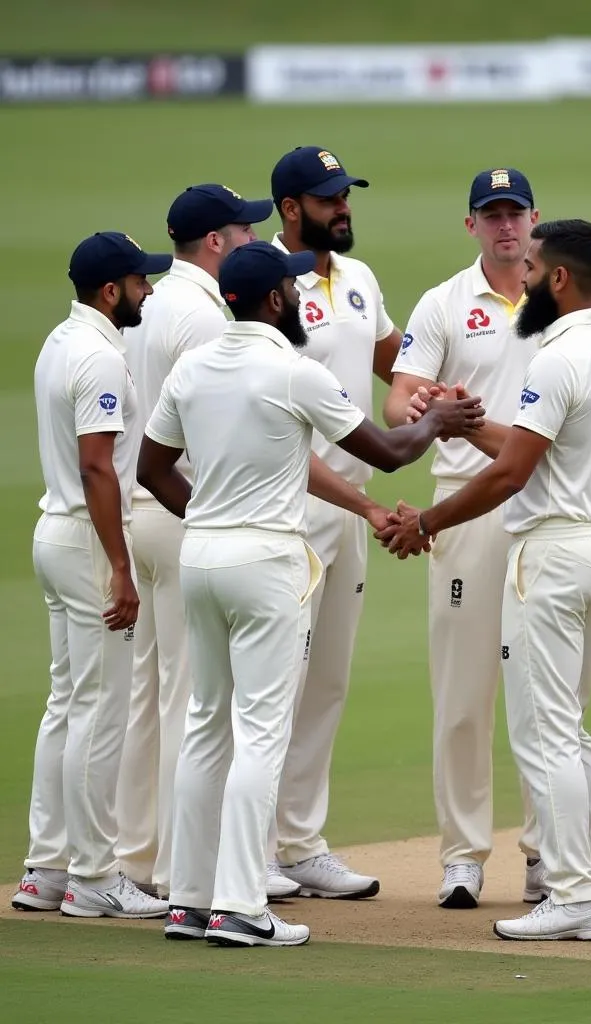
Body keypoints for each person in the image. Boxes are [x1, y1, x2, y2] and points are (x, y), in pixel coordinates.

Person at [136, 241, 484, 947]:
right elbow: (387, 451)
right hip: (266, 561)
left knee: (208, 726)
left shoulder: (193, 369)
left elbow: (151, 467)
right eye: (290, 291)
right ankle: (240, 905)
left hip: (202, 556)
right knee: (262, 731)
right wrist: (436, 424)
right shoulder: (294, 372)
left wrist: (207, 517)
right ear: (272, 300)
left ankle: (191, 900)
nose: (299, 297)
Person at [379, 219, 591, 941]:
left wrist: (427, 522)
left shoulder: (557, 359)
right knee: (570, 729)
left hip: (552, 553)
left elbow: (510, 473)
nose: (520, 278)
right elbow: (531, 447)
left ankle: (573, 893)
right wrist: (460, 425)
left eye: (531, 268)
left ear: (558, 278)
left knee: (544, 731)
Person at [381, 168, 547, 910]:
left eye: (515, 214)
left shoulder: (568, 296)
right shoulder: (443, 303)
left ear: (535, 220)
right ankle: (462, 857)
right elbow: (398, 393)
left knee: (547, 691)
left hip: (547, 502)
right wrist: (423, 401)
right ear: (472, 225)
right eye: (492, 215)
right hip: (466, 505)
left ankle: (549, 853)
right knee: (462, 691)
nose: (505, 226)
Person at [115, 183, 280, 902]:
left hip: (138, 512)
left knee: (147, 697)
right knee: (196, 704)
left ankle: (133, 861)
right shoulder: (210, 319)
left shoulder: (150, 305)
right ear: (216, 241)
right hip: (189, 517)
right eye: (244, 231)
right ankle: (197, 873)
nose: (253, 241)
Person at [12, 232, 172, 920]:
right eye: (142, 282)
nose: (150, 291)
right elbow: (98, 466)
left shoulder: (59, 340)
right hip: (88, 538)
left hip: (57, 533)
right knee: (101, 711)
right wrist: (119, 569)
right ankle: (95, 874)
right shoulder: (101, 357)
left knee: (67, 703)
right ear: (112, 291)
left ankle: (47, 868)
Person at [267, 145, 407, 899]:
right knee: (271, 687)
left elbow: (392, 360)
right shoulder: (264, 284)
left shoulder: (358, 278)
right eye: (327, 198)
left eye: (345, 193)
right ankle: (248, 845)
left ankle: (298, 841)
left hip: (349, 509)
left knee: (325, 683)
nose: (342, 206)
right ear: (291, 209)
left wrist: (430, 398)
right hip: (289, 509)